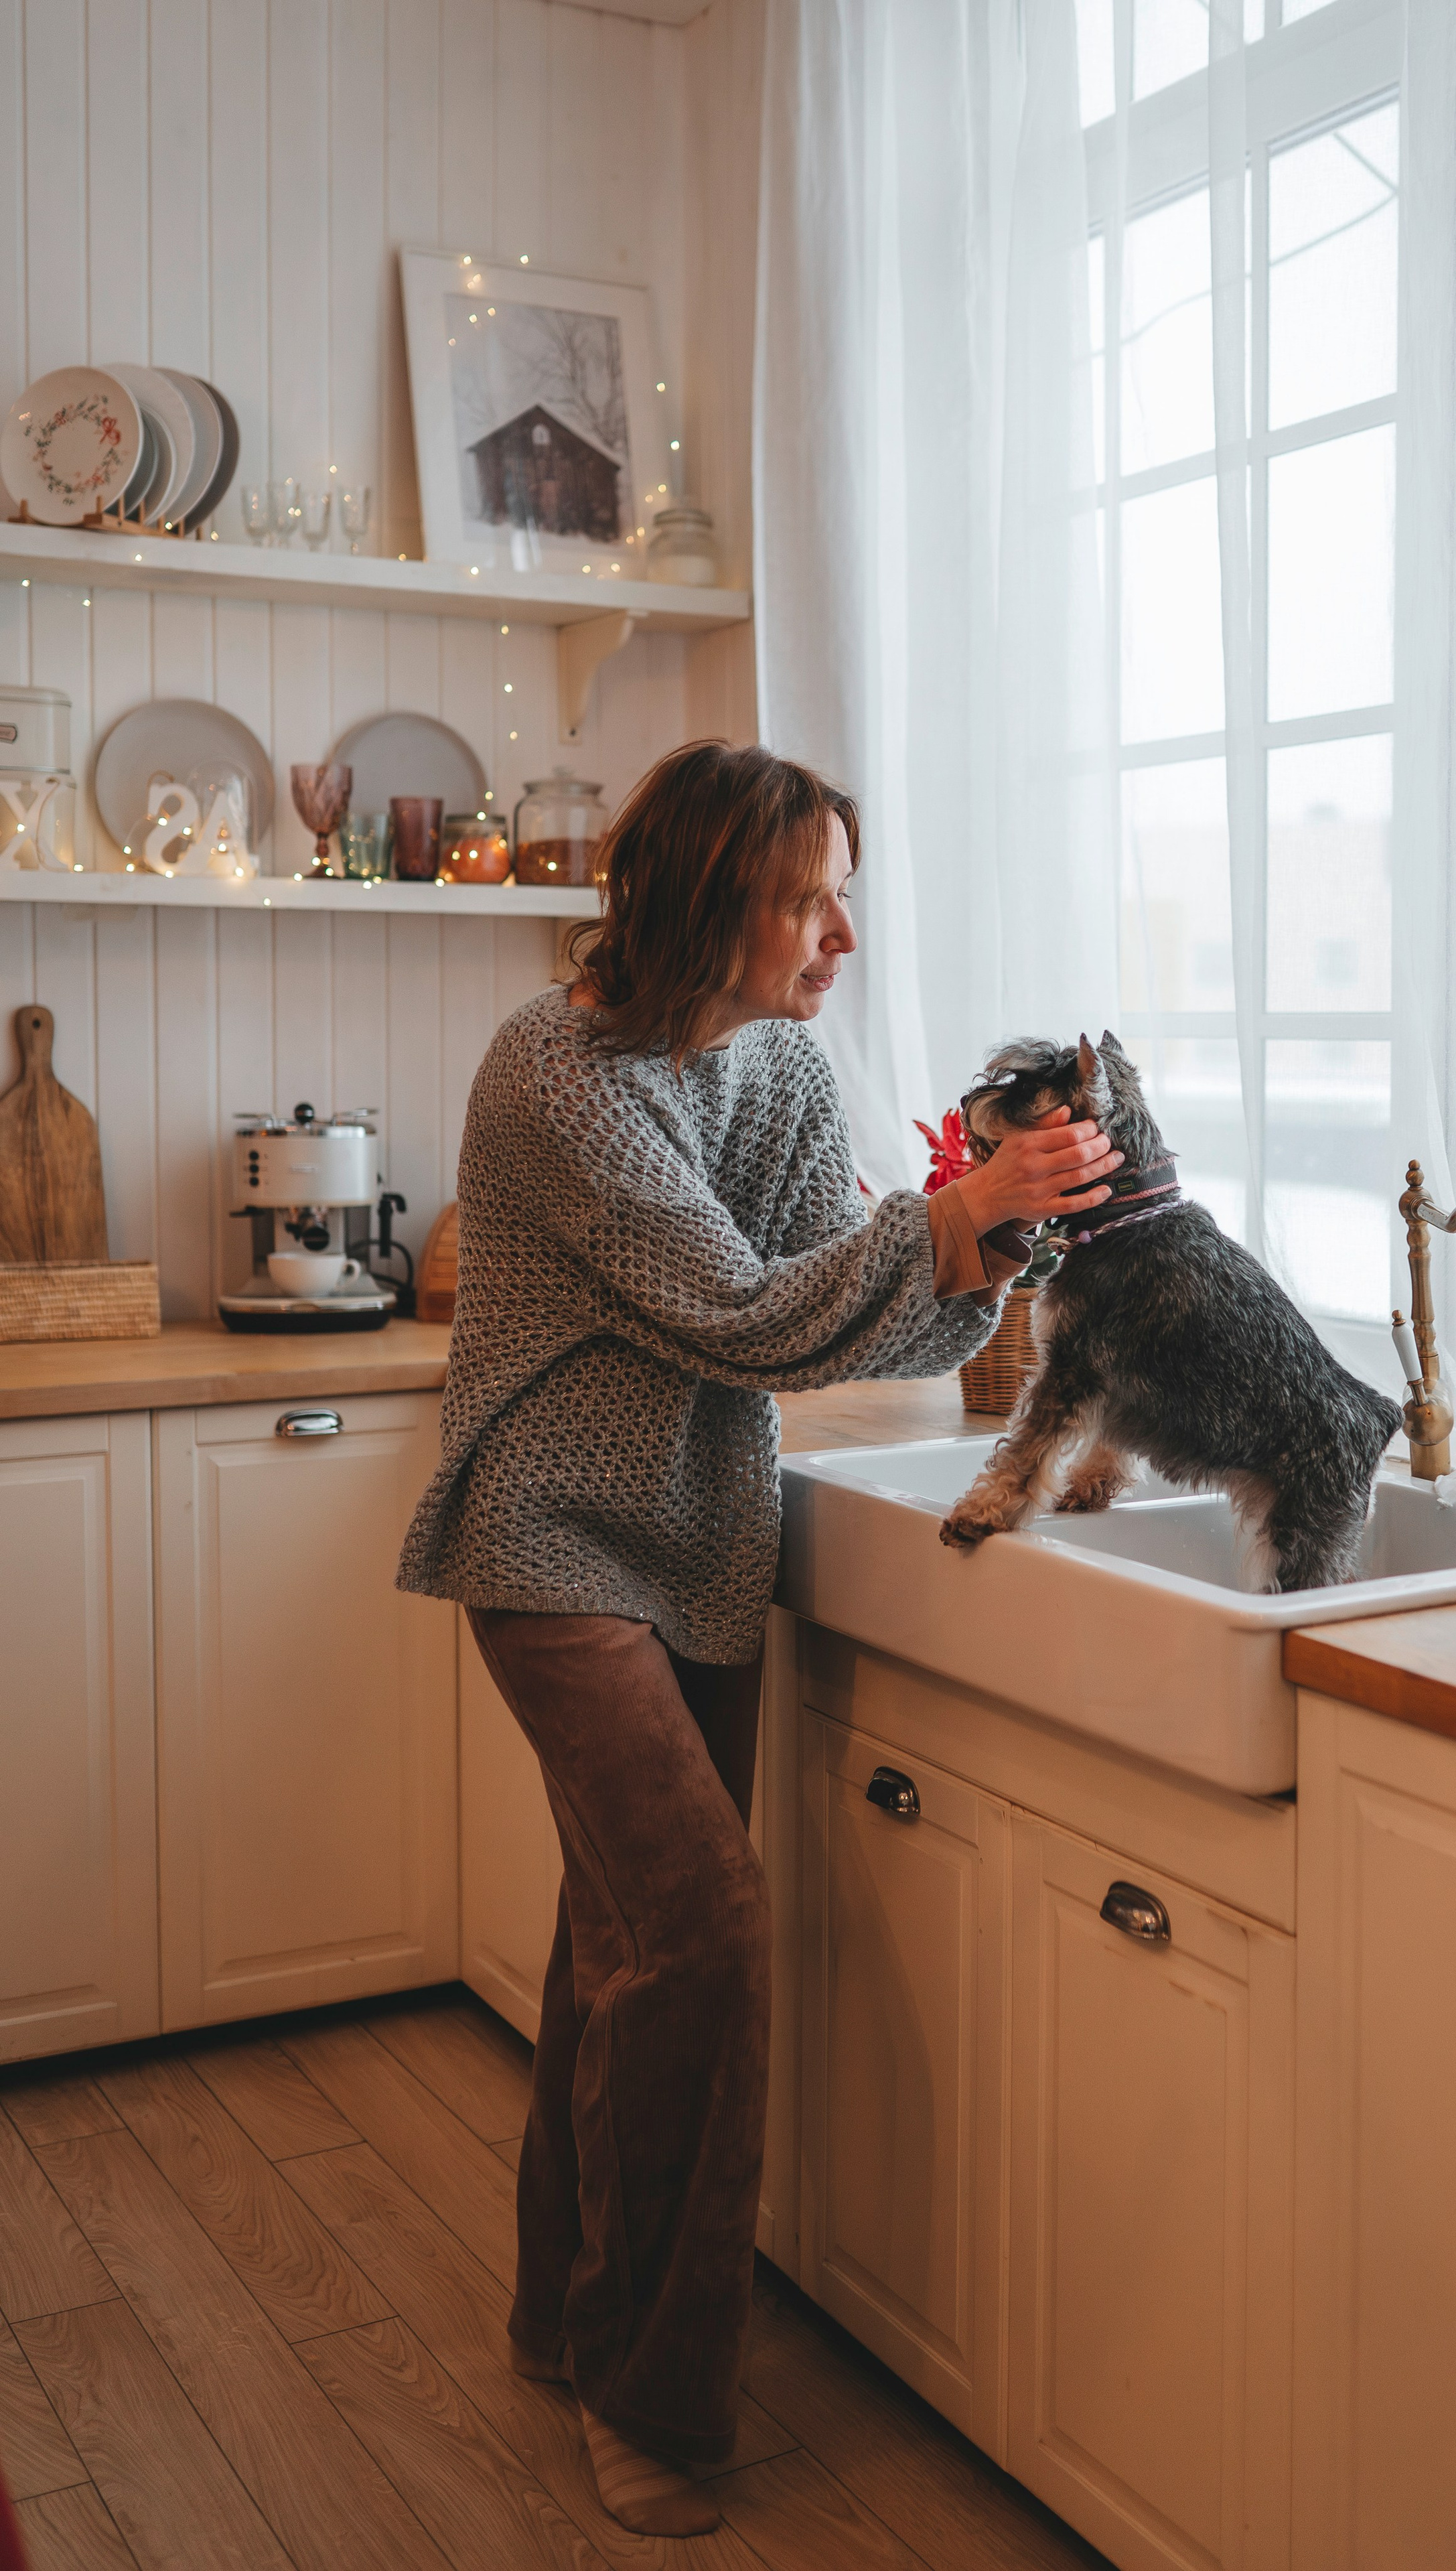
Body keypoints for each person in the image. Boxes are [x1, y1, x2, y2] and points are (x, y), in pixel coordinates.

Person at [397, 740, 1120, 2537]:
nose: (844, 935)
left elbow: (847, 1328)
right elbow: (737, 1309)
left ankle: (561, 2315)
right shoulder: (554, 1072)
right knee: (702, 1932)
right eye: (813, 895)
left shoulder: (786, 1075)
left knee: (620, 1940)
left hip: (704, 1544)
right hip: (550, 1543)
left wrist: (1000, 1237)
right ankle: (654, 2394)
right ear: (711, 893)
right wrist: (952, 1222)